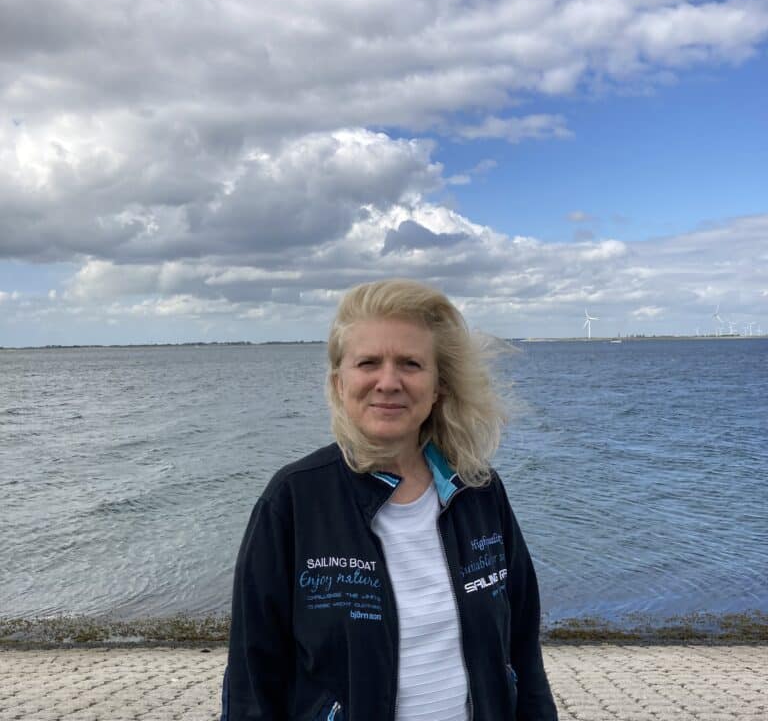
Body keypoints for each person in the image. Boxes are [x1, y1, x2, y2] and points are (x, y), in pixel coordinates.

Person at [221, 279, 558, 721]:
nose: (388, 382)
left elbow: (523, 651)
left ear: (438, 387)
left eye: (410, 364)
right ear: (339, 383)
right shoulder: (293, 501)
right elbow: (251, 681)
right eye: (368, 363)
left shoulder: (478, 490)